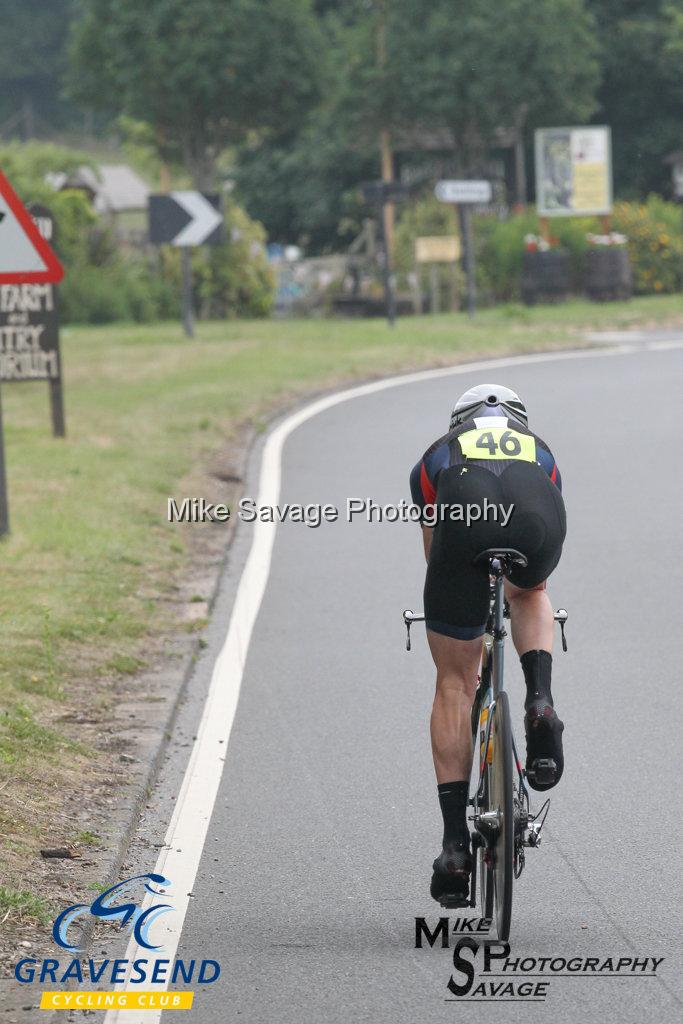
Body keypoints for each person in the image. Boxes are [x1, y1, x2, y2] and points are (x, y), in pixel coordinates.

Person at [409, 384, 567, 905]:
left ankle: (456, 846)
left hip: (464, 519)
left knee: (455, 682)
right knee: (532, 592)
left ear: (459, 422)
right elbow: (550, 507)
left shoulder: (435, 456)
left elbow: (437, 556)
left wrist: (466, 610)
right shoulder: (539, 447)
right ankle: (539, 700)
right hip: (535, 517)